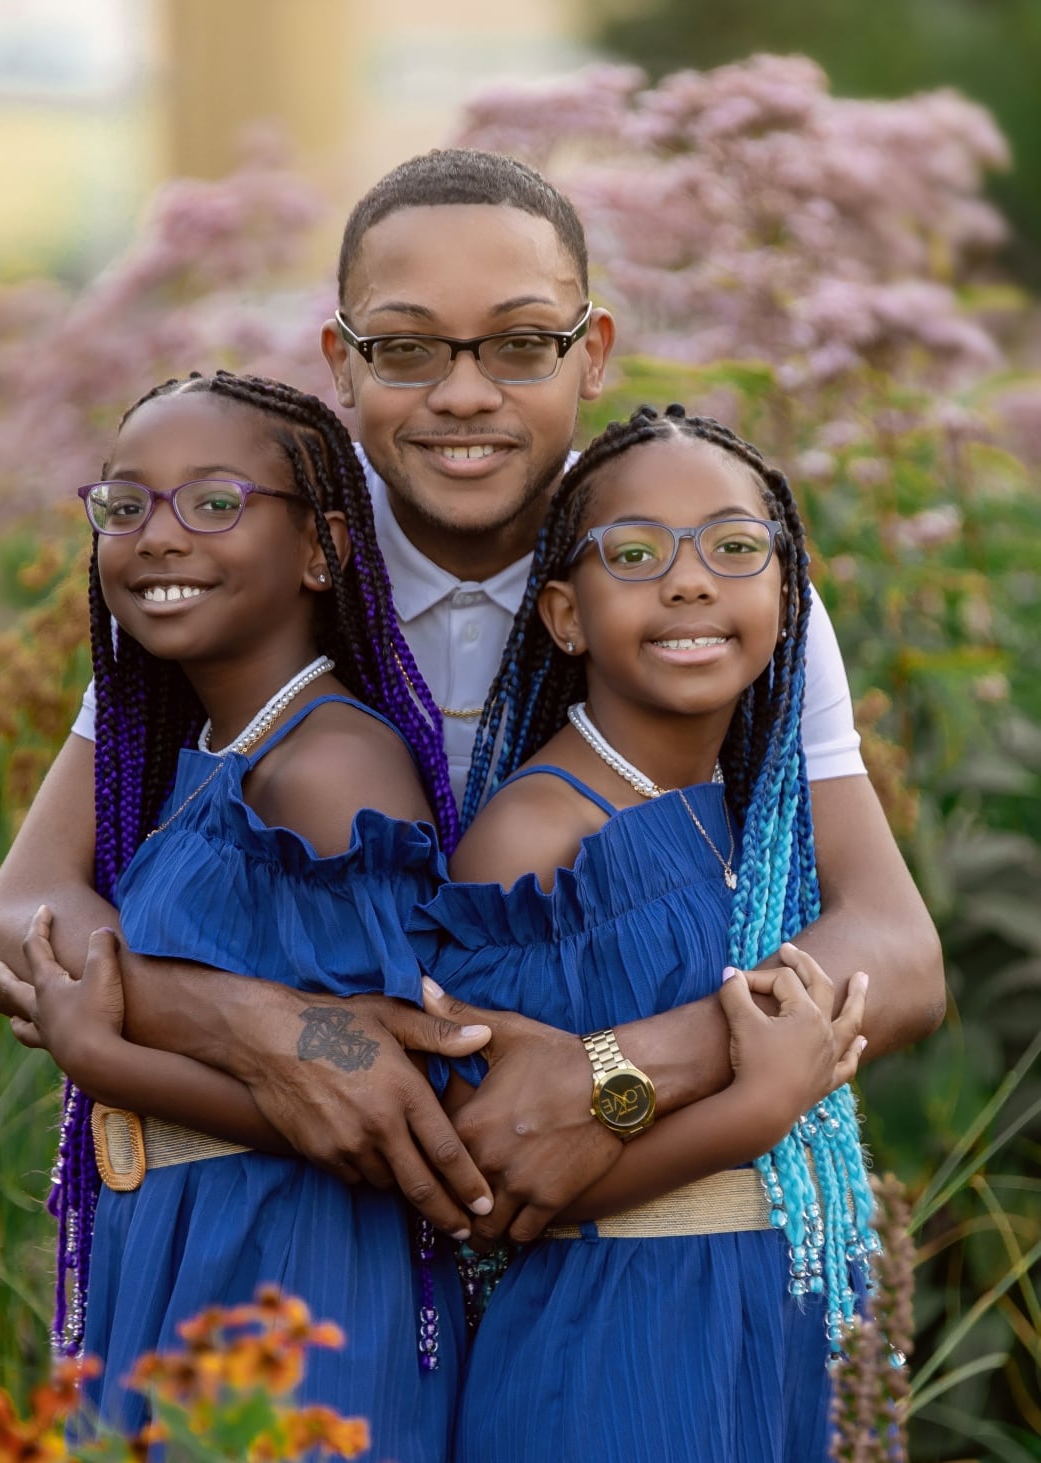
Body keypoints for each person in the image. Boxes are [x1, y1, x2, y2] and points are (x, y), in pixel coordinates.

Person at [0, 148, 943, 1257]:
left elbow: (895, 951)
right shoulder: (269, 558)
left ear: (593, 354)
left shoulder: (694, 582)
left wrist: (608, 1074)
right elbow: (13, 920)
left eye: (523, 343)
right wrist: (263, 1028)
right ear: (341, 360)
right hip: (300, 1245)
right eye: (407, 346)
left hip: (619, 1252)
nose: (464, 391)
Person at [0, 369, 482, 1457]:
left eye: (215, 502)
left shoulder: (331, 764)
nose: (158, 536)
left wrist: (104, 1051)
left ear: (322, 549)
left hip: (296, 1277)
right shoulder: (202, 755)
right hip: (185, 1245)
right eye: (126, 504)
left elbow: (384, 1111)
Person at [414, 403, 875, 1461]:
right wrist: (752, 1105)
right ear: (566, 616)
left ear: (784, 593)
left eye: (733, 546)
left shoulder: (768, 814)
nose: (689, 579)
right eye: (636, 552)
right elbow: (491, 1182)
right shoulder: (534, 837)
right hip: (618, 1342)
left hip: (786, 1326)